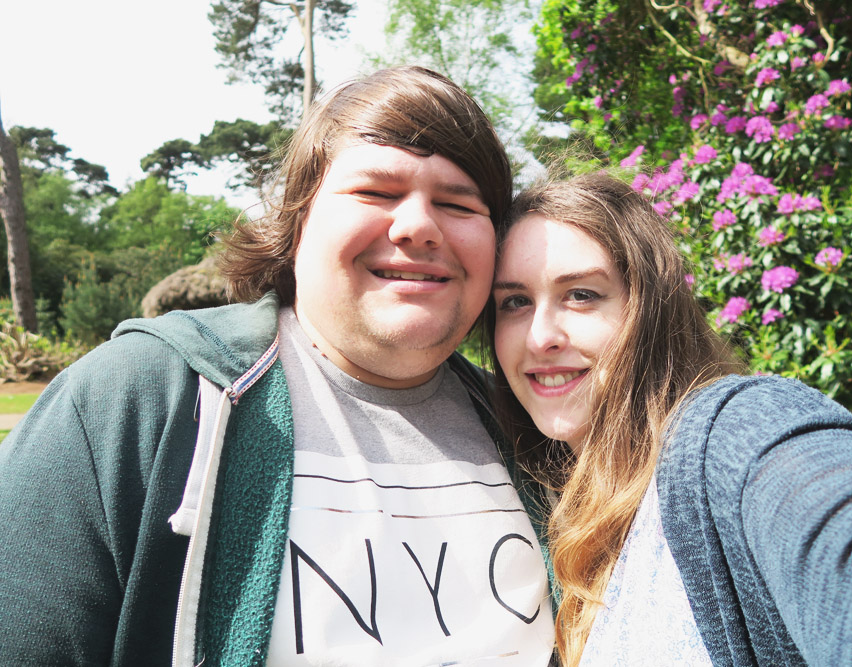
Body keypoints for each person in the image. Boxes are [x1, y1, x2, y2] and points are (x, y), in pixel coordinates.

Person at [0, 67, 555, 666]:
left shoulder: (533, 430)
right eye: (375, 192)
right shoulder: (133, 399)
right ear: (297, 225)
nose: (418, 226)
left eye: (457, 203)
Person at [486, 172, 852, 666]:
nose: (539, 337)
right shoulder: (543, 507)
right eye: (514, 302)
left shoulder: (729, 435)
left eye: (581, 295)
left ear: (650, 313)